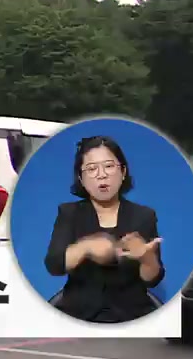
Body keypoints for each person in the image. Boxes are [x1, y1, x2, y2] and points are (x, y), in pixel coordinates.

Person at [43, 135, 165, 323]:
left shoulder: (143, 215)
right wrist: (86, 247)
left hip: (131, 317)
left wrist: (147, 259)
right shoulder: (69, 213)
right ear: (81, 178)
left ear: (123, 172)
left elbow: (152, 279)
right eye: (92, 169)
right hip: (78, 316)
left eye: (109, 166)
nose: (102, 174)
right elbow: (54, 265)